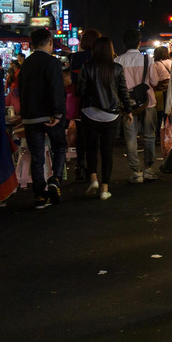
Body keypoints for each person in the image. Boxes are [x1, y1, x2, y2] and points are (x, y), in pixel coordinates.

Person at [76, 37, 133, 201]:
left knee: (91, 148)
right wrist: (128, 111)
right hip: (111, 115)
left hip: (90, 113)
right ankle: (105, 188)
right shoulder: (117, 68)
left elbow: (80, 91)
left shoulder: (87, 67)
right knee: (107, 151)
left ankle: (93, 178)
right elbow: (123, 92)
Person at [18, 28, 67, 209]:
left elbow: (21, 90)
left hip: (30, 117)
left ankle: (40, 196)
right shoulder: (51, 62)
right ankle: (55, 179)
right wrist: (57, 114)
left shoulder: (26, 64)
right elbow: (56, 88)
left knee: (37, 157)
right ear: (50, 42)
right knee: (59, 146)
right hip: (49, 116)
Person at [115, 29, 157, 183]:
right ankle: (149, 169)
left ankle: (136, 172)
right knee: (149, 136)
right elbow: (155, 82)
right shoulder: (148, 60)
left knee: (131, 138)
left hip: (127, 105)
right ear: (139, 43)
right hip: (147, 102)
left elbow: (116, 86)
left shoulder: (118, 61)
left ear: (124, 43)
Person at [69, 28, 101, 181]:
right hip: (99, 101)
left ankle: (80, 164)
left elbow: (74, 80)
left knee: (81, 134)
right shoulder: (101, 57)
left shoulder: (76, 58)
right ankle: (92, 169)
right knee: (94, 136)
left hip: (80, 101)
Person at [151, 46, 172, 135]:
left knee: (159, 115)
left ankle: (158, 135)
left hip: (159, 91)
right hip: (170, 90)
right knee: (169, 113)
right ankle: (170, 133)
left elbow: (154, 81)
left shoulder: (155, 64)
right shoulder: (171, 62)